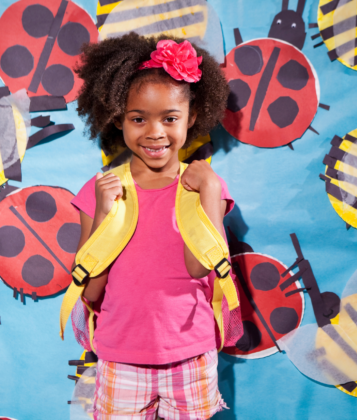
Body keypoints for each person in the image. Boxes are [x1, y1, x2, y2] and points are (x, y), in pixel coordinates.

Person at [71, 33, 232, 420]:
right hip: (119, 356)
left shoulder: (204, 187)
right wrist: (106, 214)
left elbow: (200, 266)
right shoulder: (98, 191)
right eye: (138, 118)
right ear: (117, 118)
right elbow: (89, 290)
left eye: (170, 118)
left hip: (190, 354)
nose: (154, 132)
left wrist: (210, 190)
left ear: (192, 118)